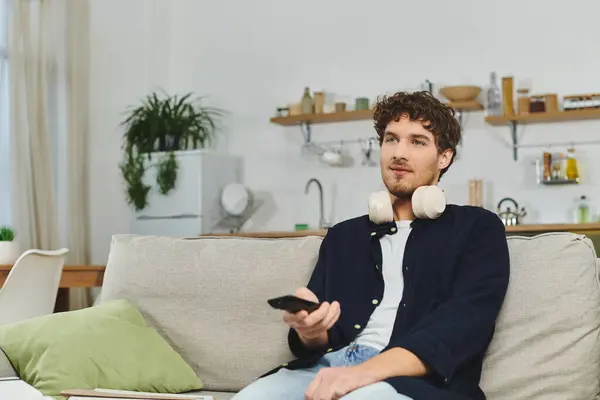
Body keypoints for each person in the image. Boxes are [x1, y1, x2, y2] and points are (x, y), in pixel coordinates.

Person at [232, 91, 510, 400]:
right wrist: (310, 330)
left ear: (444, 157)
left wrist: (360, 375)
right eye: (391, 139)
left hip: (413, 382)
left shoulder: (477, 228)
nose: (399, 153)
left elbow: (461, 327)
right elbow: (324, 334)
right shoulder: (343, 236)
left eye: (417, 142)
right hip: (326, 367)